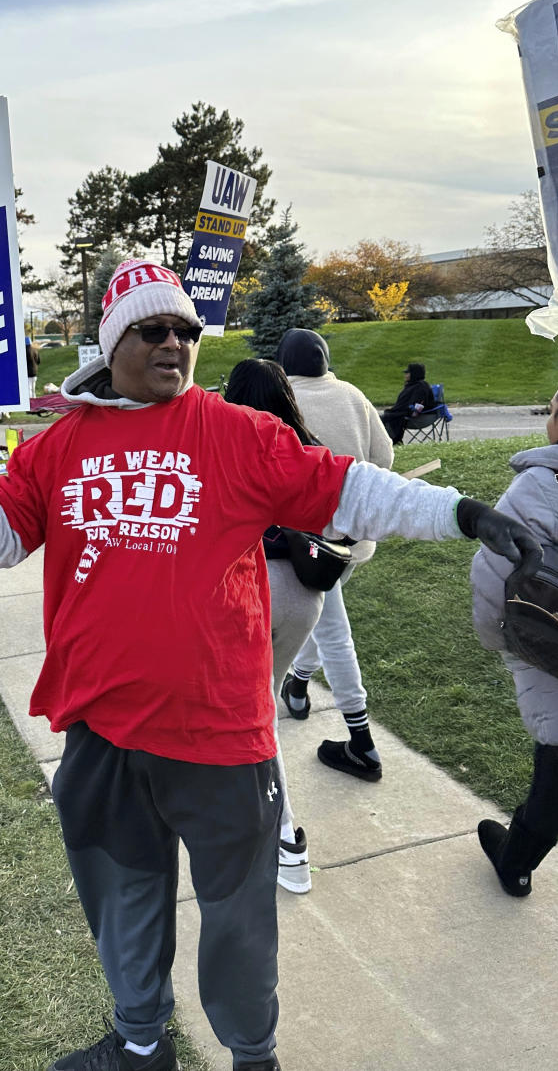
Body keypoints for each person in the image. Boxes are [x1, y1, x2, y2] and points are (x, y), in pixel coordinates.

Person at [0, 258, 539, 1071]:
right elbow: (0, 540)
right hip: (103, 730)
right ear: (114, 342)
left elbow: (346, 489)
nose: (175, 342)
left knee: (239, 917)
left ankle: (253, 1056)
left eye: (186, 330)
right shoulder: (60, 444)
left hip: (218, 735)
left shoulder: (232, 432)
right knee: (124, 900)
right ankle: (140, 1044)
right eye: (154, 329)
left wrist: (460, 512)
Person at [224, 358, 325, 895]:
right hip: (306, 596)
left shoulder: (229, 445)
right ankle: (275, 828)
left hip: (253, 591)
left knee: (254, 717)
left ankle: (285, 838)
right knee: (262, 708)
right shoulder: (304, 444)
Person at [276, 328, 396, 782]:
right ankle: (301, 688)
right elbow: (383, 461)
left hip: (302, 546)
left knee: (334, 632)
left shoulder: (282, 399)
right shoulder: (352, 394)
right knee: (321, 617)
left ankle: (362, 744)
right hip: (350, 543)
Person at [471, 386, 558, 897]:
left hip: (550, 649)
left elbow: (493, 572)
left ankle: (516, 859)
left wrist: (498, 640)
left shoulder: (541, 485)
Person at [380, 361, 435, 444]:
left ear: (414, 374)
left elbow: (416, 406)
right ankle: (390, 440)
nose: (405, 375)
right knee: (387, 416)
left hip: (416, 418)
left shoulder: (420, 387)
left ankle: (392, 440)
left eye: (407, 373)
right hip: (406, 413)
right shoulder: (412, 385)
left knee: (387, 417)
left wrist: (401, 411)